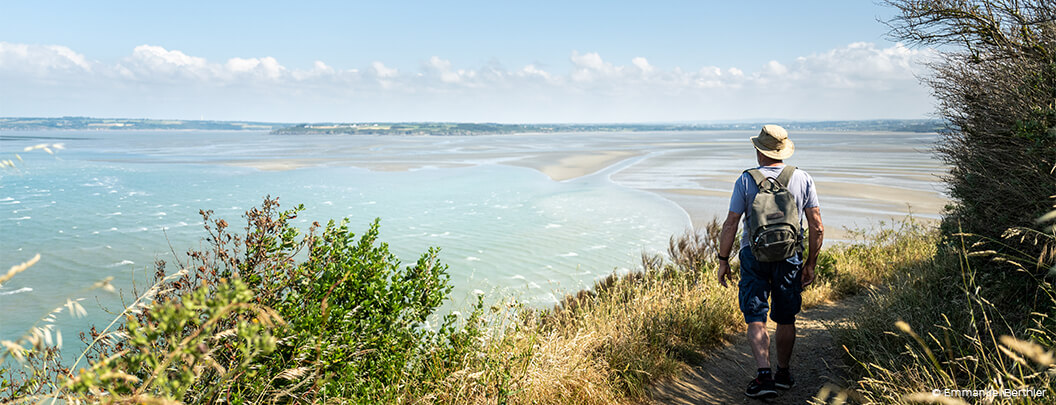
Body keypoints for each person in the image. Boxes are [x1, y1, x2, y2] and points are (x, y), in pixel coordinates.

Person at [716, 124, 824, 399]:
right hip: (790, 256)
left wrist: (723, 259)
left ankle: (764, 377)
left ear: (759, 150)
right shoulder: (802, 178)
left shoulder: (745, 180)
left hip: (754, 255)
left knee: (756, 315)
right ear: (783, 151)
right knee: (786, 317)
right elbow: (817, 226)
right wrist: (810, 263)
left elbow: (730, 224)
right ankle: (783, 374)